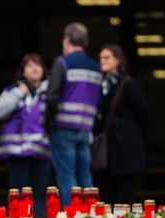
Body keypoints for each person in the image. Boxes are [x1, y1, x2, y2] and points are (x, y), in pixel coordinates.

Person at [45, 22, 102, 208]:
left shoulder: (62, 62)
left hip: (63, 128)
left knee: (67, 175)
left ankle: (73, 216)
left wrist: (48, 121)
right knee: (85, 175)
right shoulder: (95, 67)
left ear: (66, 40)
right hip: (85, 129)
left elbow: (52, 96)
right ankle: (91, 215)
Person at [0, 53, 51, 218]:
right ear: (22, 71)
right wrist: (19, 92)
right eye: (30, 65)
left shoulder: (50, 92)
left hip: (42, 151)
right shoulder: (12, 90)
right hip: (16, 152)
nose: (34, 68)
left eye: (38, 65)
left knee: (40, 192)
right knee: (18, 193)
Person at [93, 44, 150, 204]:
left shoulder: (128, 84)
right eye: (100, 58)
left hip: (125, 149)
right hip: (107, 150)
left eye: (107, 57)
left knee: (125, 191)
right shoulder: (101, 85)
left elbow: (144, 115)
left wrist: (135, 139)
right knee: (106, 191)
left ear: (118, 60)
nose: (102, 61)